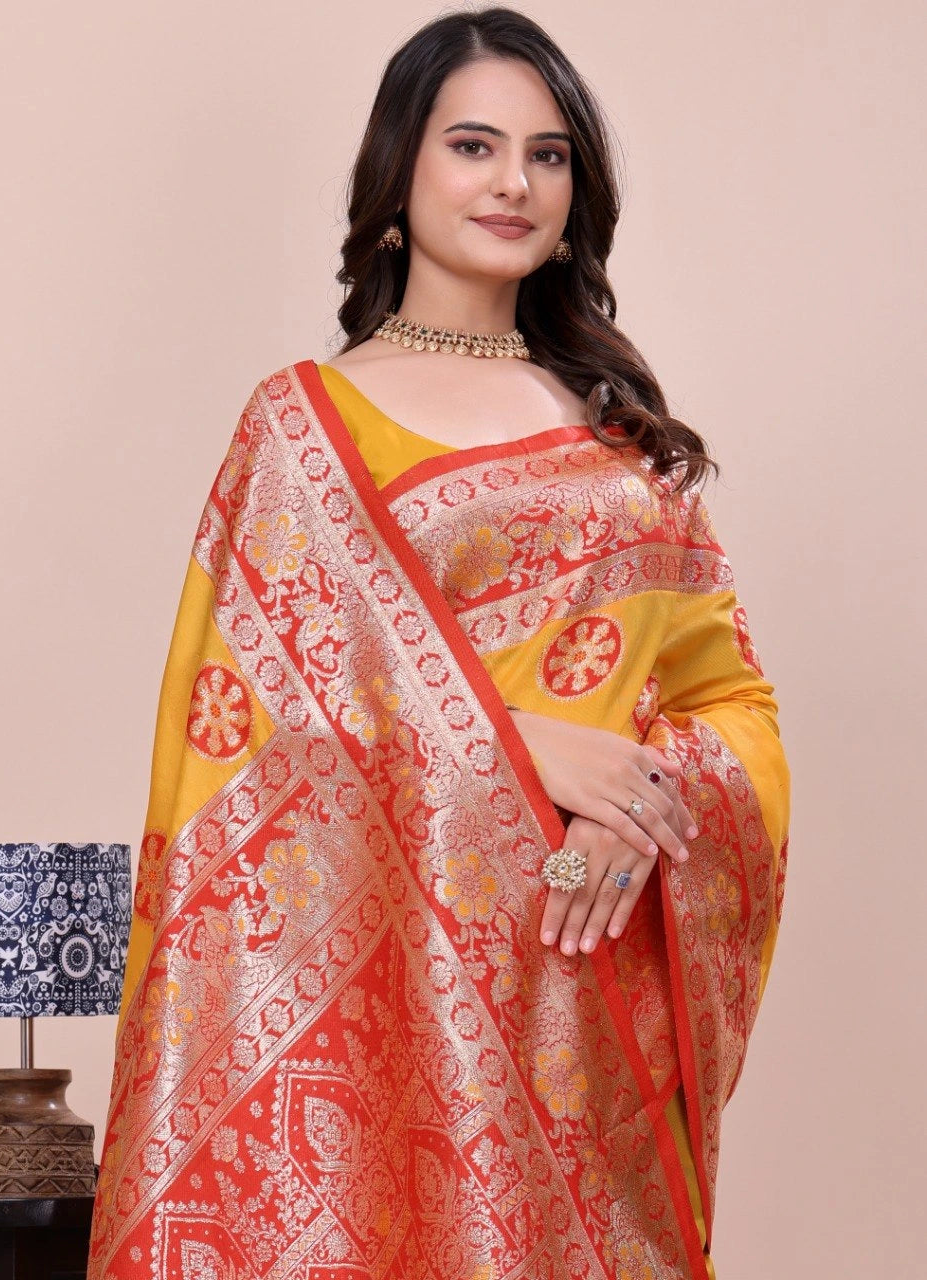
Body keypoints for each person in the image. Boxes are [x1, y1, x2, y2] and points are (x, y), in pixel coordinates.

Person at [87, 8, 790, 1279]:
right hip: (365, 1018)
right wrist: (518, 745)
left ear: (577, 199)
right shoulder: (301, 429)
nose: (514, 182)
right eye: (473, 145)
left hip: (566, 1008)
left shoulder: (627, 446)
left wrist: (643, 796)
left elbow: (733, 706)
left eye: (549, 154)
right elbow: (245, 745)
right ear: (399, 174)